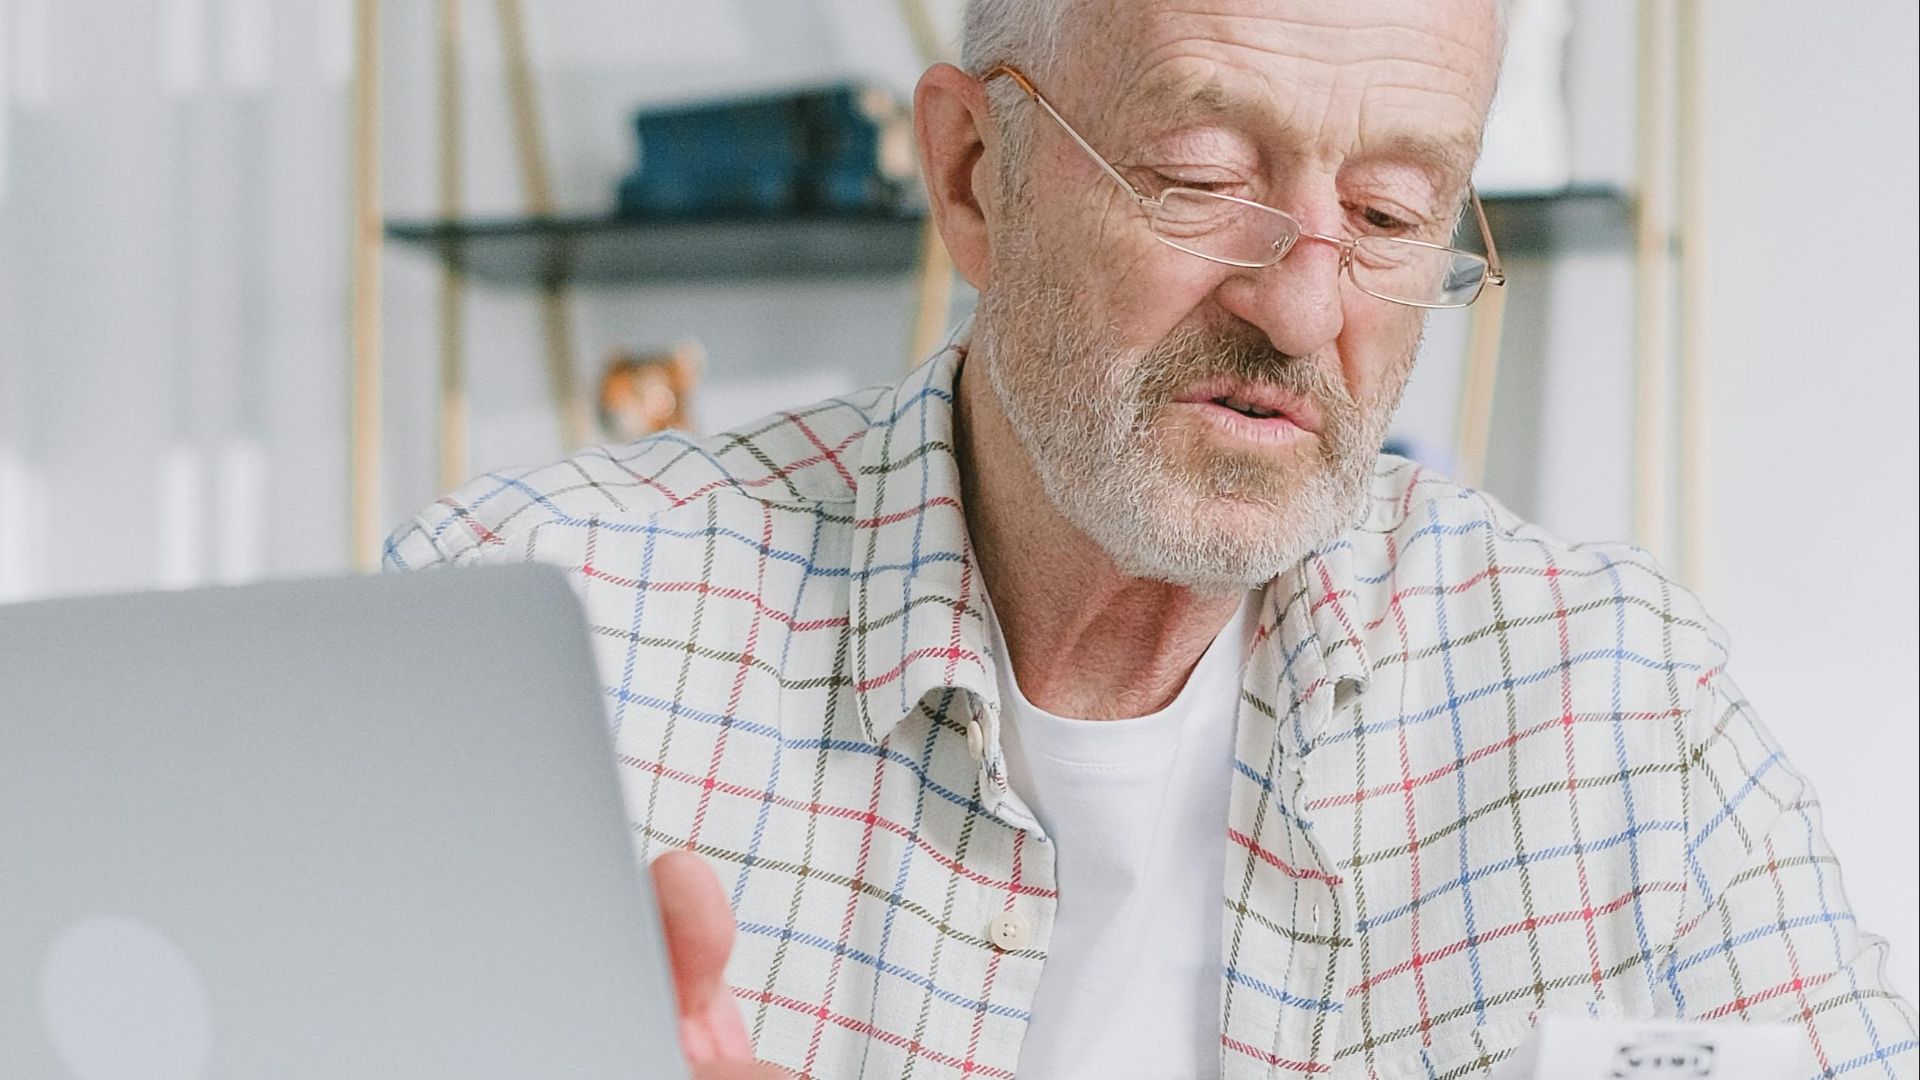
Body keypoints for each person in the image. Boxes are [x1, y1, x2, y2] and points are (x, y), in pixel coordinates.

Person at [386, 1, 1918, 1077]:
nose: (1305, 307)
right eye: (1199, 182)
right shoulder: (529, 635)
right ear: (976, 176)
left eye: (1390, 217)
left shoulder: (1619, 704)